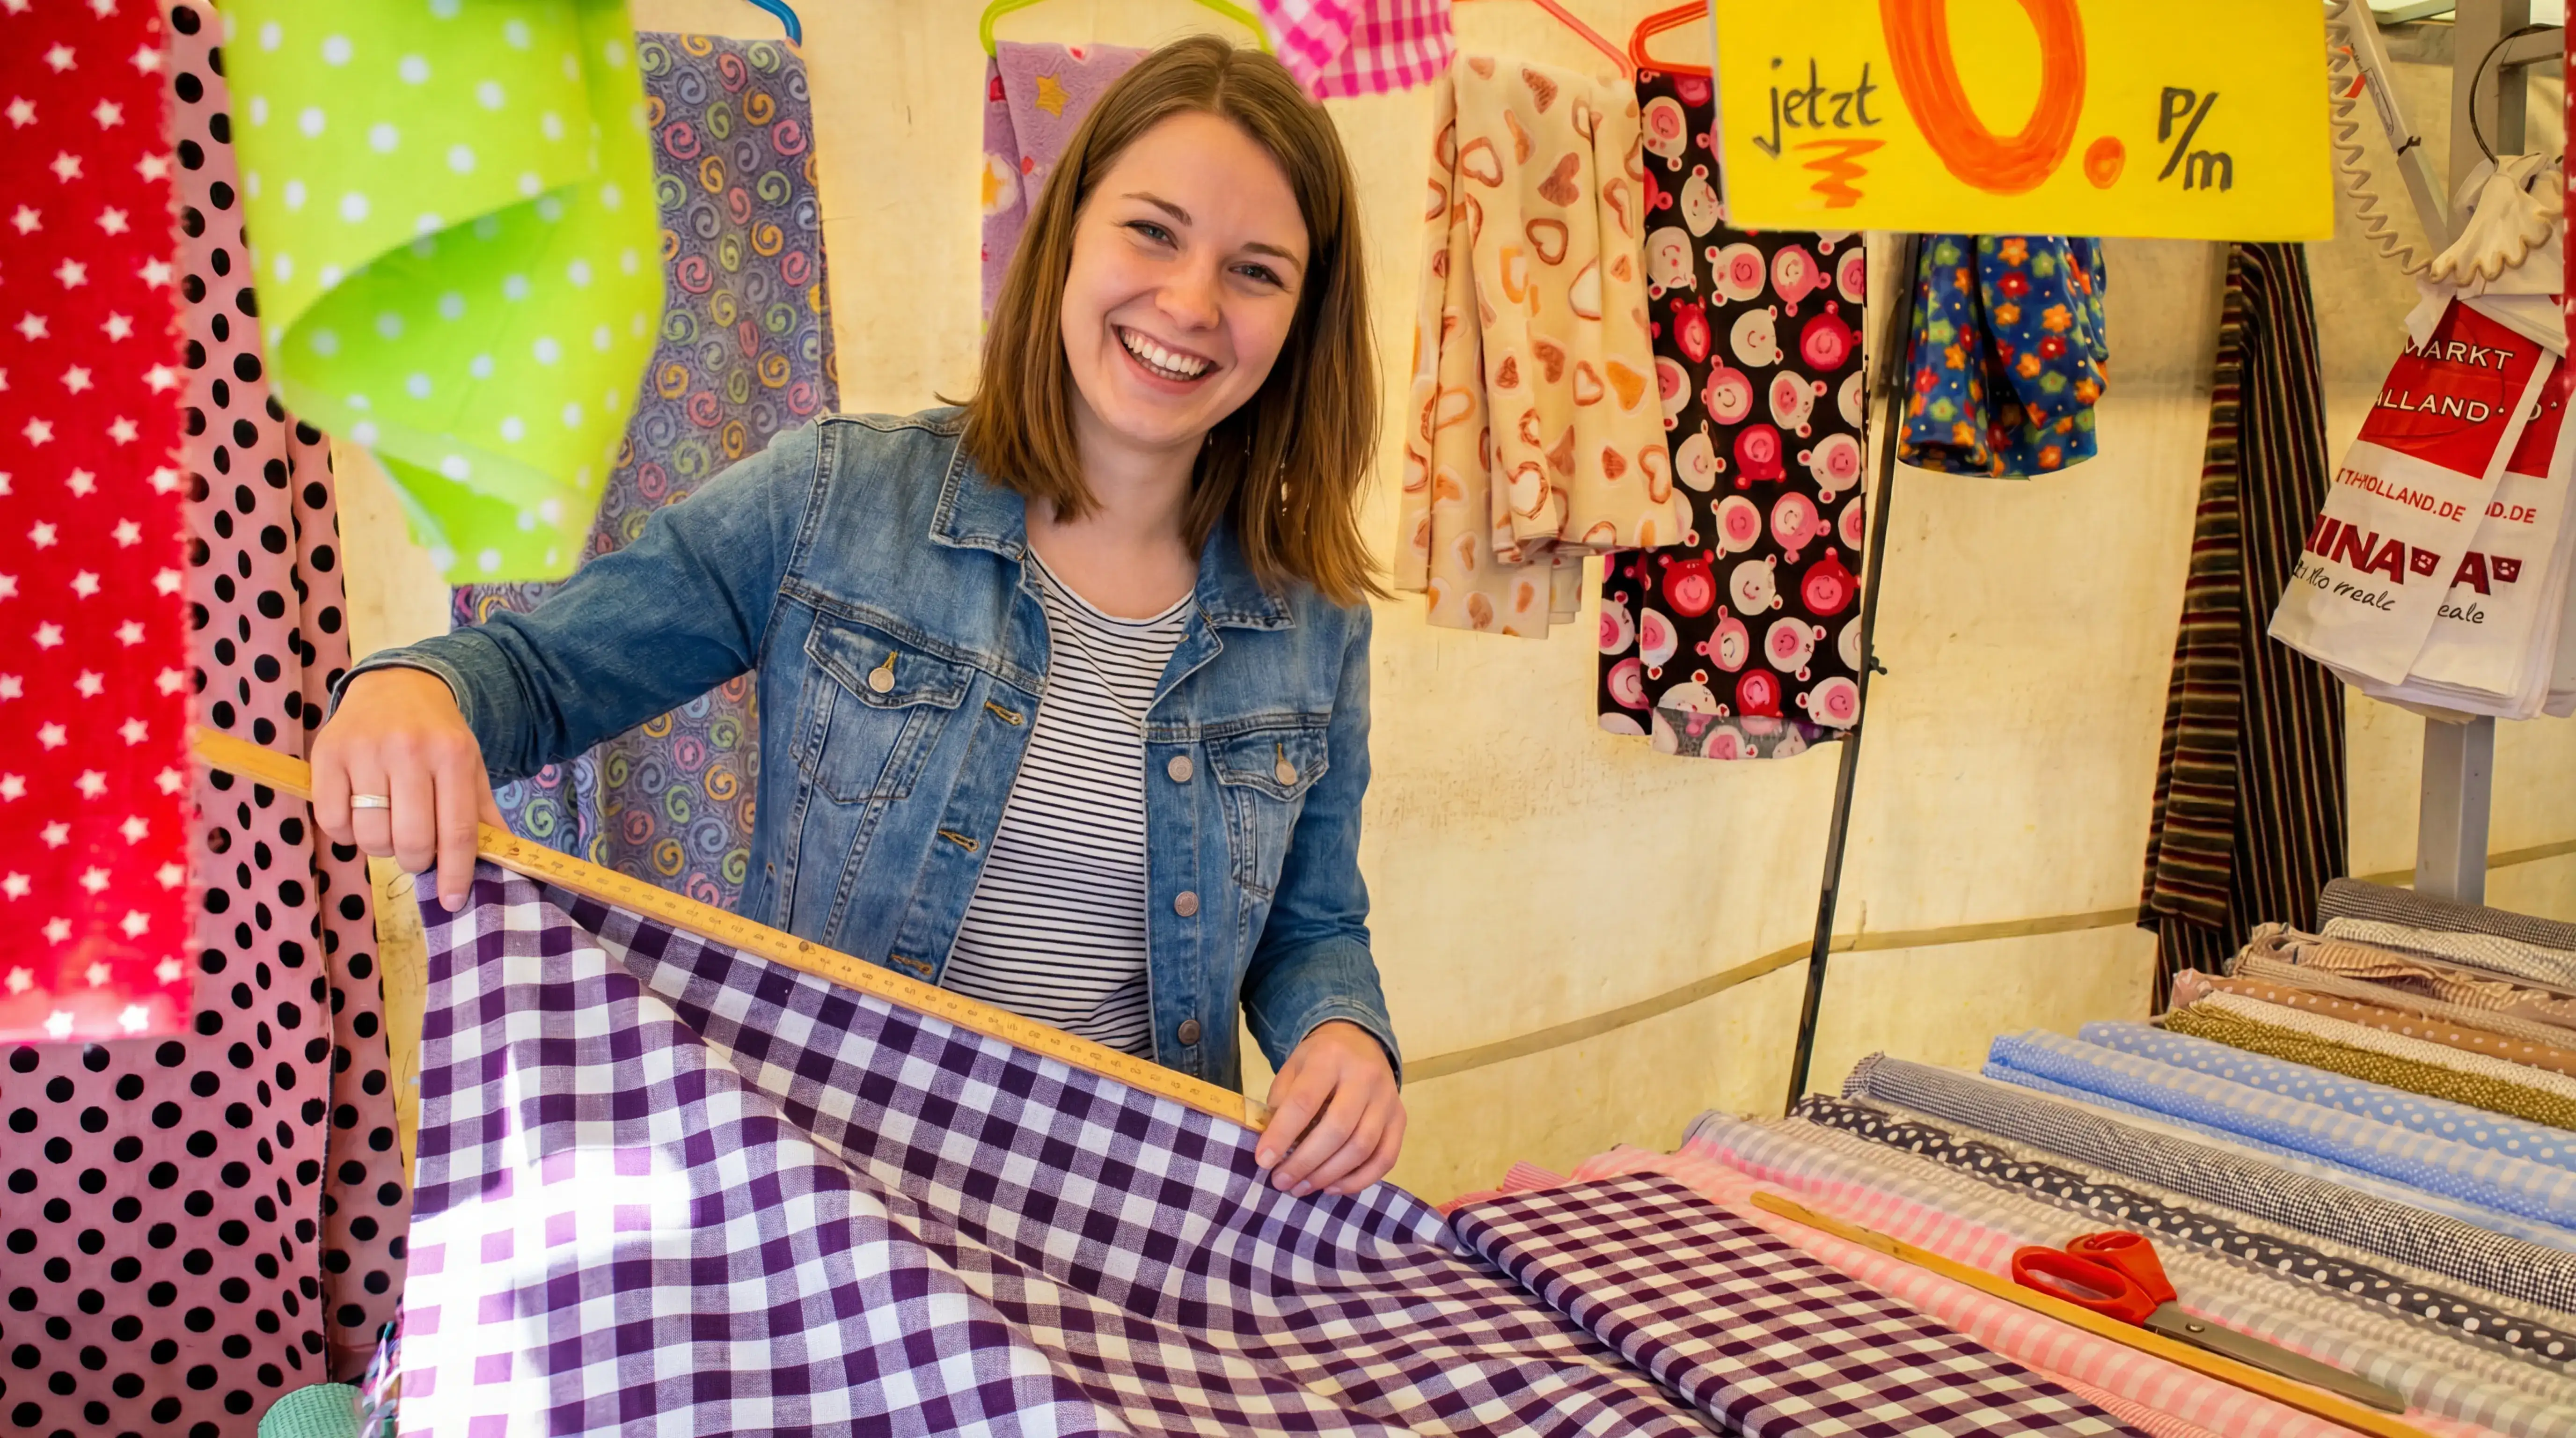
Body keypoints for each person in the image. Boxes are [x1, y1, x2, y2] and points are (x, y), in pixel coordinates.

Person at [313, 37, 1405, 1197]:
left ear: (1304, 320)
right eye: (1151, 230)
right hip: (829, 1197)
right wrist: (412, 691)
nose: (1189, 303)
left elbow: (1311, 925)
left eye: (1256, 271)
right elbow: (532, 676)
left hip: (1125, 1208)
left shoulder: (1315, 615)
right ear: (1065, 233)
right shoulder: (833, 497)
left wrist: (1345, 1034)